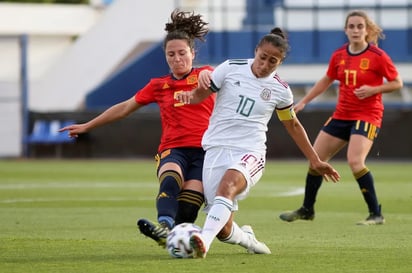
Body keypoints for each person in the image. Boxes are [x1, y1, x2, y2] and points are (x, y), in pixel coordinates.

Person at [176, 27, 340, 259]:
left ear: (280, 62)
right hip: (216, 148)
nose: (265, 65)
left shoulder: (281, 90)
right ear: (256, 51)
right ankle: (247, 239)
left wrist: (315, 160)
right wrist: (191, 95)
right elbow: (202, 95)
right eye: (263, 57)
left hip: (250, 151)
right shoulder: (231, 67)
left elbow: (292, 125)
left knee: (228, 186)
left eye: (273, 61)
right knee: (224, 229)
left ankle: (203, 239)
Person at [59, 9, 215, 246]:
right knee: (170, 179)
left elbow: (236, 83)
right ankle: (164, 226)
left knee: (188, 206)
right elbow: (124, 108)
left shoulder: (208, 75)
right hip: (174, 149)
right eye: (170, 54)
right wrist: (88, 125)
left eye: (182, 53)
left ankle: (172, 236)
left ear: (193, 53)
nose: (177, 59)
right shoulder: (158, 85)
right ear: (165, 56)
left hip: (206, 152)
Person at [279, 10, 403, 225]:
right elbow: (326, 80)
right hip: (342, 115)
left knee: (355, 162)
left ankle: (376, 214)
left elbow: (397, 83)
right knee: (316, 160)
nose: (355, 30)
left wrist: (374, 89)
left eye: (359, 26)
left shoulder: (378, 56)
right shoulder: (339, 55)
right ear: (345, 30)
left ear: (366, 30)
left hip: (367, 115)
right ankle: (307, 209)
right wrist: (304, 101)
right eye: (352, 26)